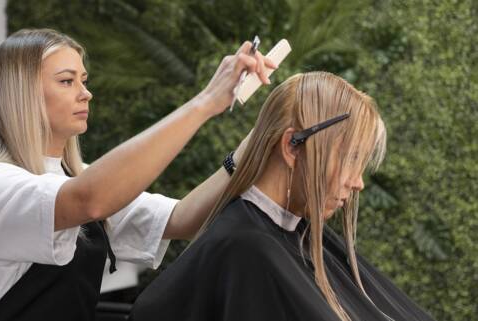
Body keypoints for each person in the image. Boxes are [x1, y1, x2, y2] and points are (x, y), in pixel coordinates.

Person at [0, 28, 275, 321]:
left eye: (84, 80)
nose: (85, 93)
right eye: (67, 81)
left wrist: (256, 143)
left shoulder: (76, 179)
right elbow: (90, 200)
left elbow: (183, 219)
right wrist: (205, 102)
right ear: (21, 93)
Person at [130, 72, 435, 321]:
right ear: (292, 147)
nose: (358, 182)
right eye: (351, 159)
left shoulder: (291, 235)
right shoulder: (246, 249)